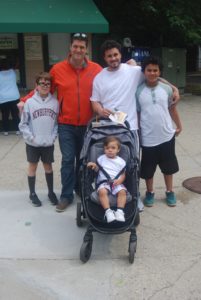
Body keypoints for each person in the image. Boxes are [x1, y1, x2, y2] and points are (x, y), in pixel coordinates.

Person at [90, 40, 180, 212]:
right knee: (109, 163)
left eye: (116, 54)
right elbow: (94, 101)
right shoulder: (99, 78)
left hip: (130, 128)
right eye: (109, 56)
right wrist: (100, 110)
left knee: (132, 164)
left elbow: (153, 74)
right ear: (104, 58)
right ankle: (107, 194)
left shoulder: (132, 71)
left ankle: (135, 197)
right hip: (109, 128)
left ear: (120, 55)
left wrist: (173, 87)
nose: (113, 58)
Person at [19, 33, 102, 212]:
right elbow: (43, 88)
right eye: (75, 46)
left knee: (84, 160)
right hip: (66, 124)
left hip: (88, 124)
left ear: (86, 49)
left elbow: (111, 81)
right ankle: (66, 195)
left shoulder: (96, 69)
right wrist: (25, 99)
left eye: (82, 47)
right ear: (70, 48)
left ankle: (82, 189)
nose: (78, 50)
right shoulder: (58, 69)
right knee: (67, 160)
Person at [136, 56, 182, 207]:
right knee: (148, 169)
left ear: (159, 72)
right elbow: (137, 114)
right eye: (149, 70)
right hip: (148, 138)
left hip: (166, 135)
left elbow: (172, 109)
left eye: (155, 70)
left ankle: (169, 191)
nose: (152, 73)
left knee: (168, 167)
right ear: (144, 71)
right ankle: (150, 192)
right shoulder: (139, 92)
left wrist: (179, 125)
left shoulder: (166, 89)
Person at [19, 72, 59, 207]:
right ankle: (32, 193)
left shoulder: (55, 103)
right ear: (36, 85)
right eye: (42, 83)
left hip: (48, 142)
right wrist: (31, 137)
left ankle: (50, 192)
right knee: (33, 167)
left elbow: (56, 124)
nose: (45, 86)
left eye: (48, 83)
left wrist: (53, 137)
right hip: (33, 143)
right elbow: (23, 124)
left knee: (48, 167)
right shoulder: (29, 103)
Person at [87, 136, 127, 223]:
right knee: (102, 192)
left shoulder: (121, 161)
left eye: (113, 148)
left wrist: (120, 180)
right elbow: (98, 170)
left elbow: (123, 174)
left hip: (117, 182)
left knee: (123, 192)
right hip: (104, 182)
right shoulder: (101, 159)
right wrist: (94, 166)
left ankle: (120, 211)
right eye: (107, 148)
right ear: (104, 149)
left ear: (118, 150)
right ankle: (108, 211)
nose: (110, 150)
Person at [0, 58, 20, 135]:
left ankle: (6, 131)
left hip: (3, 98)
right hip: (14, 96)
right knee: (15, 114)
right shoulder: (13, 72)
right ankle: (17, 130)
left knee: (5, 115)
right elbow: (17, 63)